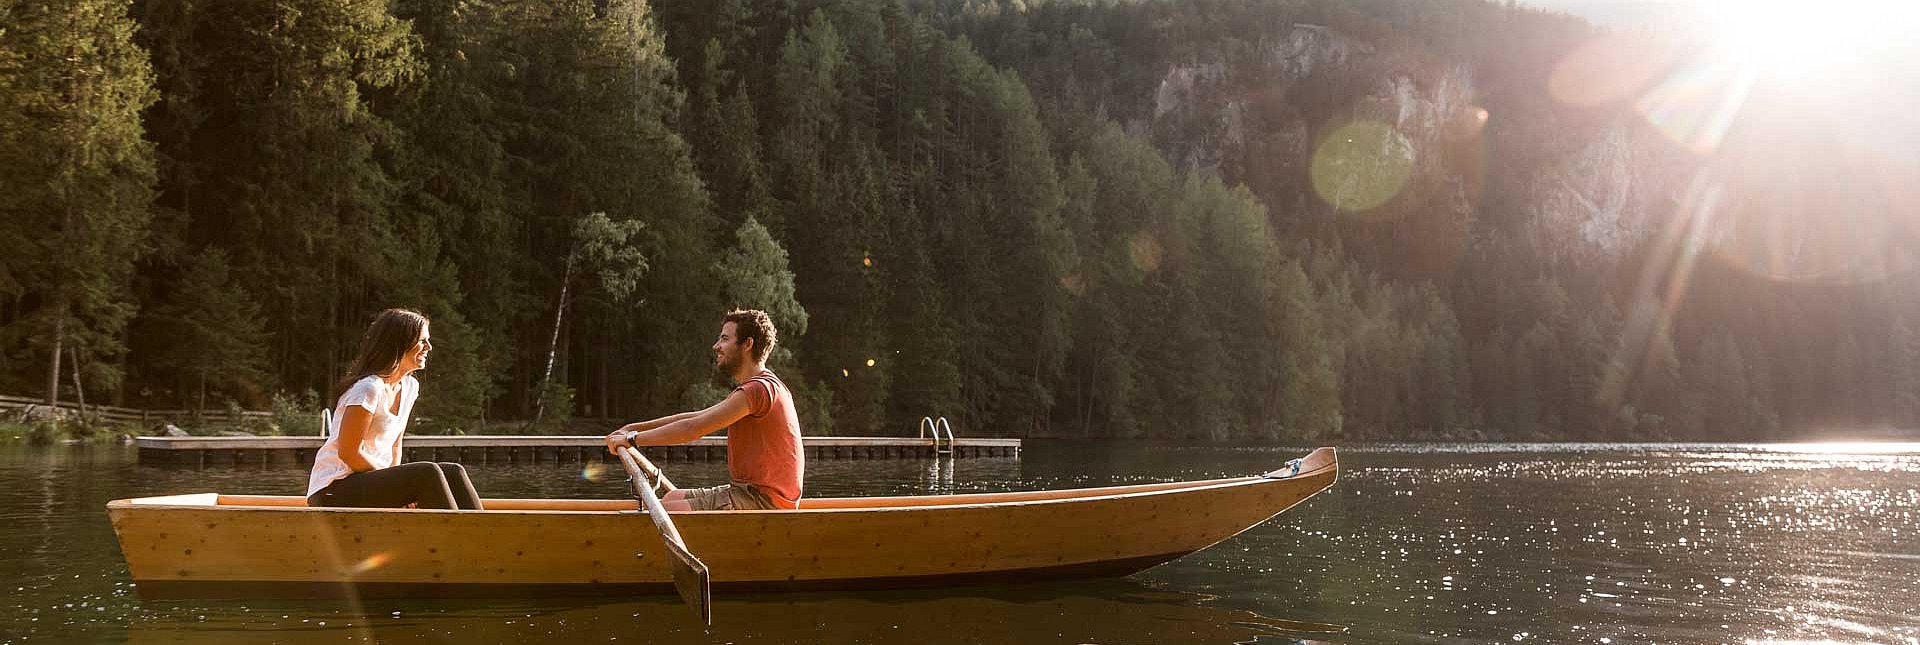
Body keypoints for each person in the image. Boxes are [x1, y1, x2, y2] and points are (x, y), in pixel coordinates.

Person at [604, 309, 803, 510]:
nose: (716, 346)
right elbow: (696, 417)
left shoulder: (758, 389)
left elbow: (693, 428)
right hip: (747, 492)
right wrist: (631, 428)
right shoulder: (759, 387)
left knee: (664, 511)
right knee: (671, 498)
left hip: (763, 503)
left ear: (747, 344)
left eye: (724, 339)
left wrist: (631, 439)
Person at [307, 308, 483, 510]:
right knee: (427, 473)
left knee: (453, 472)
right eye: (422, 341)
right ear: (400, 343)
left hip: (368, 482)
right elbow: (348, 453)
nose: (429, 347)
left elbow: (395, 445)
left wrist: (399, 487)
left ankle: (483, 538)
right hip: (333, 489)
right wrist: (399, 486)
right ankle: (460, 538)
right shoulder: (368, 388)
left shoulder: (409, 387)